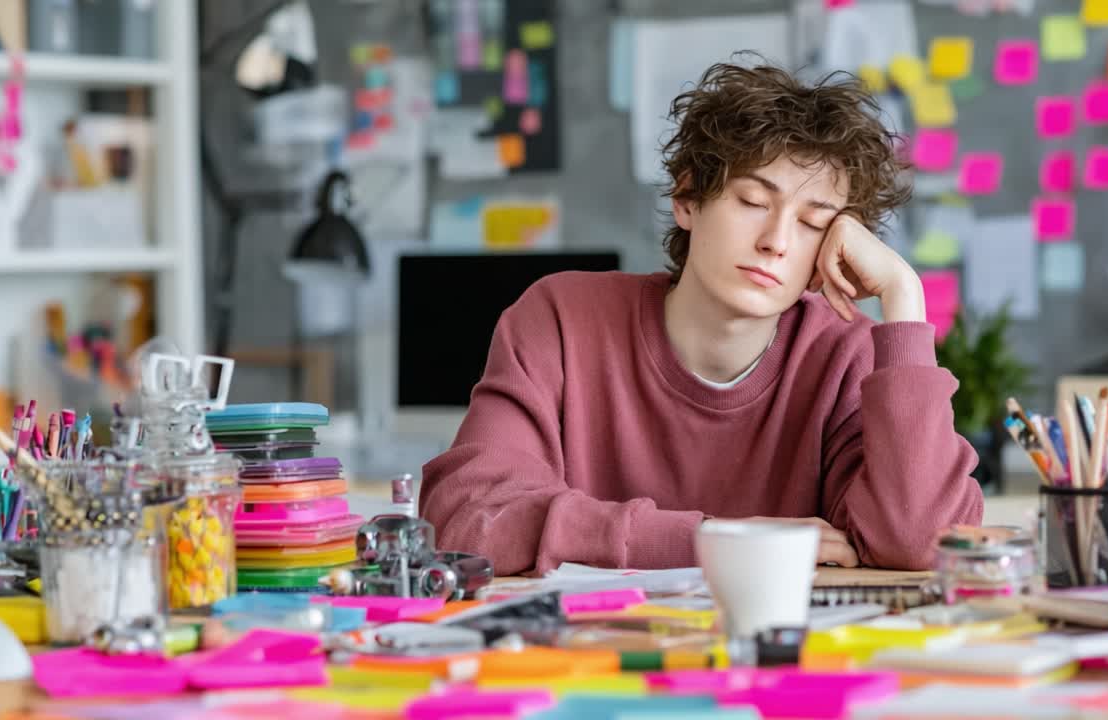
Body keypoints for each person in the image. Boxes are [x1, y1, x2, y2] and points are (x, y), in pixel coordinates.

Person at [421, 62, 983, 576]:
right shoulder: (560, 319)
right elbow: (469, 521)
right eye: (752, 201)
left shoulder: (844, 356)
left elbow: (918, 542)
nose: (777, 242)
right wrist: (715, 540)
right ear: (689, 198)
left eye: (814, 223)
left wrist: (904, 300)